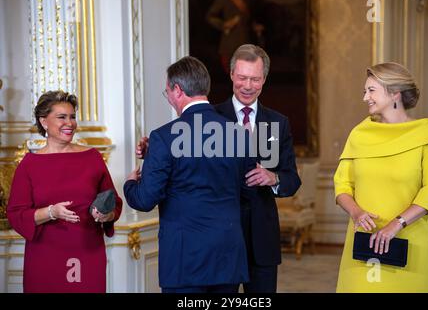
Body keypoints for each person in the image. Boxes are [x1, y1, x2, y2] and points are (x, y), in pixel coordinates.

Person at [124, 56, 254, 293]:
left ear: (177, 90)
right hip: (228, 255)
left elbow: (144, 200)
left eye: (167, 92)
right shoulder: (239, 134)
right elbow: (247, 191)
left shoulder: (164, 137)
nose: (169, 99)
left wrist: (131, 183)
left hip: (185, 260)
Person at [334, 62, 428, 292]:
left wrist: (397, 224)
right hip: (364, 241)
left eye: (371, 90)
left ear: (395, 92)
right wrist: (356, 213)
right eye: (364, 91)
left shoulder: (427, 135)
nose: (365, 97)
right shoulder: (359, 134)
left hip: (410, 243)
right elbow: (342, 184)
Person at [7, 90, 122, 293]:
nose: (69, 123)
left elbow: (113, 202)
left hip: (88, 253)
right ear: (44, 122)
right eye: (61, 117)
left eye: (72, 117)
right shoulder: (29, 165)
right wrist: (51, 212)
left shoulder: (92, 158)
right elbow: (16, 214)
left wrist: (106, 214)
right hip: (45, 258)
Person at [215, 44, 301, 293]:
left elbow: (292, 179)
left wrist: (273, 177)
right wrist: (152, 150)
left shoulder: (278, 123)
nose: (247, 85)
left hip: (262, 241)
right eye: (242, 77)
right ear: (231, 74)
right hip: (220, 240)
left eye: (255, 79)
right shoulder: (211, 118)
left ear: (264, 79)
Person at [206, 0, 264, 73]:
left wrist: (254, 26)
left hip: (246, 42)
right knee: (232, 74)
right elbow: (210, 17)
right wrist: (224, 24)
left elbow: (248, 19)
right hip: (230, 44)